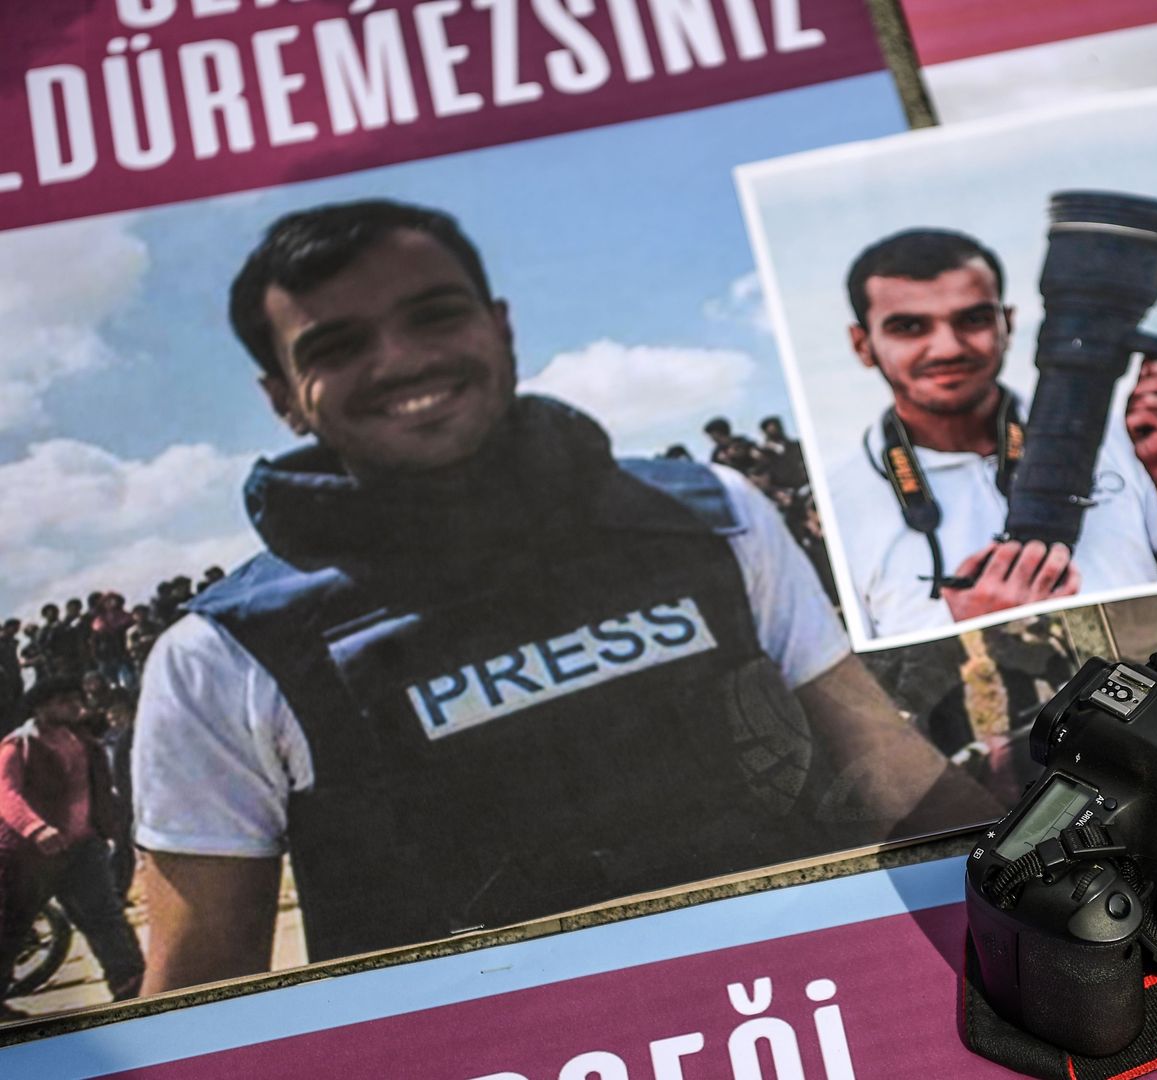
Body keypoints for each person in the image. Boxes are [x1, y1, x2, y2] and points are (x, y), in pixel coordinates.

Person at [133, 199, 998, 993]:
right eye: (337, 345)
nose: (400, 359)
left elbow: (903, 789)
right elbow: (198, 1003)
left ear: (501, 327)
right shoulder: (223, 657)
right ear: (283, 398)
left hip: (799, 1018)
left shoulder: (714, 516)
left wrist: (1063, 897)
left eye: (434, 315)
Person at [832, 228, 1157, 638]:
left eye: (973, 319)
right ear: (862, 344)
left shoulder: (1122, 436)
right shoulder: (839, 509)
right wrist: (977, 631)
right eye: (908, 327)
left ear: (1007, 324)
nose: (947, 348)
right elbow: (865, 686)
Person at [0, 677, 145, 1014]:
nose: (72, 706)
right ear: (41, 707)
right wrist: (35, 829)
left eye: (73, 699)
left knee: (105, 918)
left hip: (82, 849)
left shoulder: (85, 742)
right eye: (62, 700)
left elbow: (101, 790)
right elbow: (7, 795)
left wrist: (111, 824)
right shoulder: (19, 745)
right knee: (12, 927)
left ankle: (131, 987)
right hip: (28, 857)